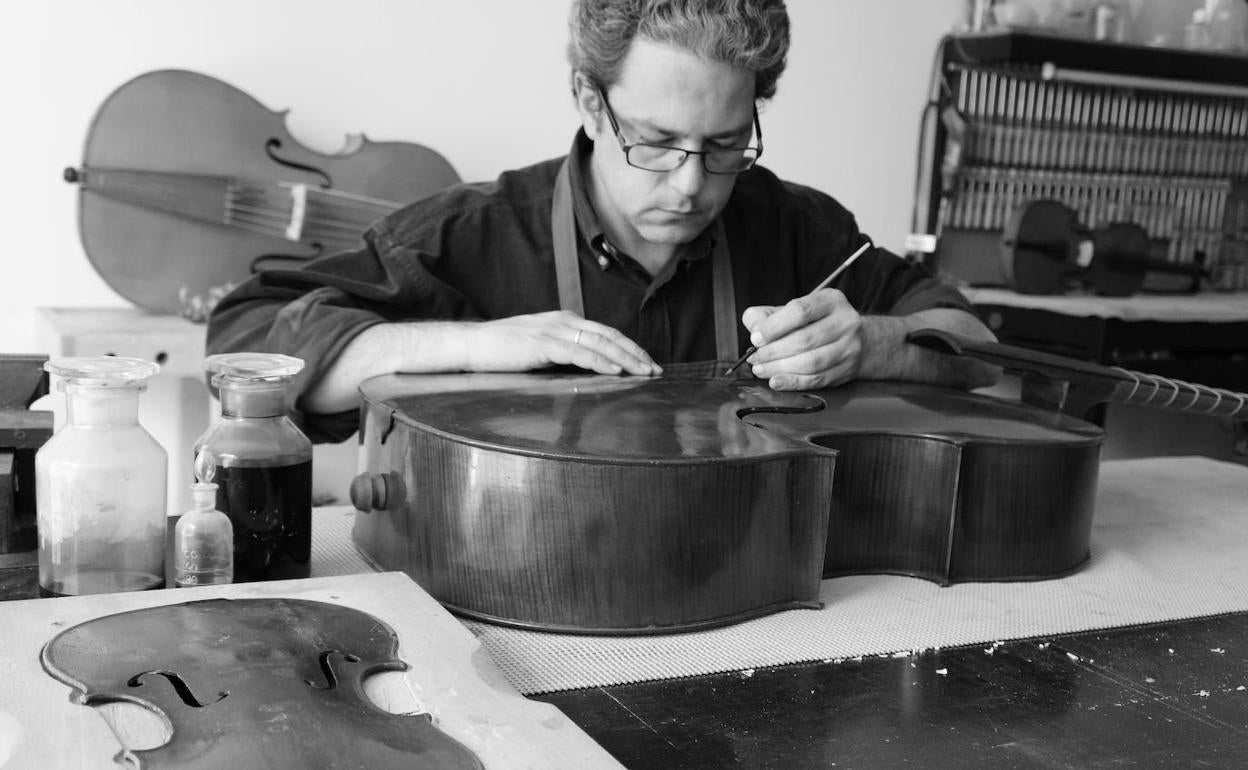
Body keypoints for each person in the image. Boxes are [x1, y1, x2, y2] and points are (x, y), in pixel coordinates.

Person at [207, 0, 999, 444]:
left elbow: (977, 348)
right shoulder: (473, 232)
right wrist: (473, 346)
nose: (691, 186)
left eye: (724, 146)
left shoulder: (793, 226)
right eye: (655, 142)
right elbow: (244, 340)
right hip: (510, 596)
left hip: (755, 583)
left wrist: (872, 341)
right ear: (591, 103)